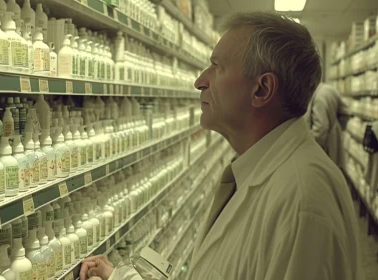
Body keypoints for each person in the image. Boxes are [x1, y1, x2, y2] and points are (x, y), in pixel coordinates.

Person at [81, 12, 362, 280]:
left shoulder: (302, 204)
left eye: (217, 66)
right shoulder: (259, 172)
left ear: (262, 90)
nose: (199, 81)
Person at [304, 83, 347, 167]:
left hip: (326, 147)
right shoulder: (330, 89)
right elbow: (345, 113)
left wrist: (308, 149)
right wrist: (337, 128)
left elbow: (321, 129)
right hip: (334, 138)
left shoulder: (319, 97)